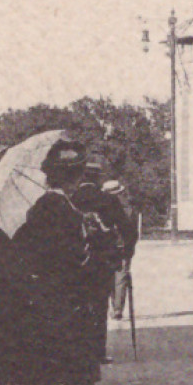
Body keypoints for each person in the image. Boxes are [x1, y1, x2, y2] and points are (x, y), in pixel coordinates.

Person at [0, 138, 103, 385]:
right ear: (70, 180)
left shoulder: (46, 205)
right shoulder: (60, 206)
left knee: (39, 329)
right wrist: (87, 238)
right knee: (62, 328)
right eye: (75, 177)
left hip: (40, 281)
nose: (76, 183)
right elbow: (68, 250)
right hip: (59, 281)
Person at [72, 155, 129, 364]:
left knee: (77, 305)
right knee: (98, 306)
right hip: (101, 260)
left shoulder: (71, 198)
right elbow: (126, 228)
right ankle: (97, 352)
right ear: (97, 178)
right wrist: (126, 253)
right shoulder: (107, 199)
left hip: (76, 261)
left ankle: (77, 350)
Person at [102, 180, 138, 325]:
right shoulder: (129, 209)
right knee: (121, 276)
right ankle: (117, 309)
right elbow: (133, 232)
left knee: (111, 276)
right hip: (123, 247)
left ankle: (115, 306)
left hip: (109, 247)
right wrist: (130, 248)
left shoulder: (102, 208)